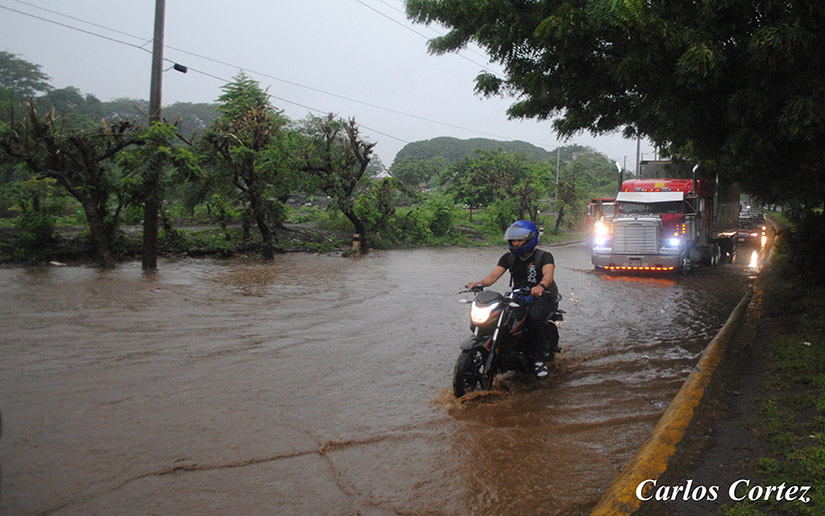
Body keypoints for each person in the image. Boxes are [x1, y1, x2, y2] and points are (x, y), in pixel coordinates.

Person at [466, 220, 558, 379]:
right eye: (513, 240)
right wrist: (479, 283)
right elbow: (494, 276)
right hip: (518, 294)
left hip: (543, 294)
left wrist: (541, 286)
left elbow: (548, 275)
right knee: (499, 314)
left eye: (519, 240)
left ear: (530, 240)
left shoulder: (544, 256)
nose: (515, 243)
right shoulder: (508, 258)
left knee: (533, 318)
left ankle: (538, 360)